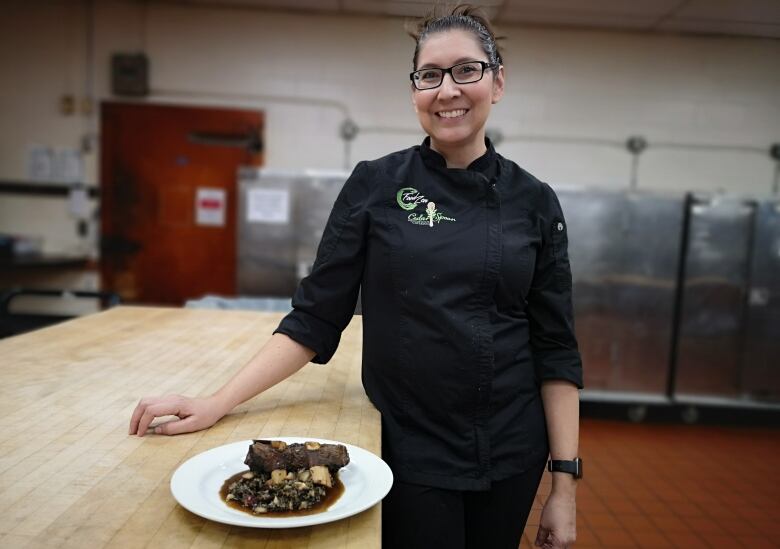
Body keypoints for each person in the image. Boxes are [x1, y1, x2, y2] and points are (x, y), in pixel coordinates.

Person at [130, 5, 582, 549]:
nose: (448, 90)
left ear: (497, 81)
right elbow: (316, 318)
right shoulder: (376, 185)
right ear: (415, 90)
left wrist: (564, 483)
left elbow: (554, 346)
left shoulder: (535, 201)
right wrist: (215, 403)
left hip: (513, 447)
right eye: (430, 75)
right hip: (410, 445)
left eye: (468, 69)